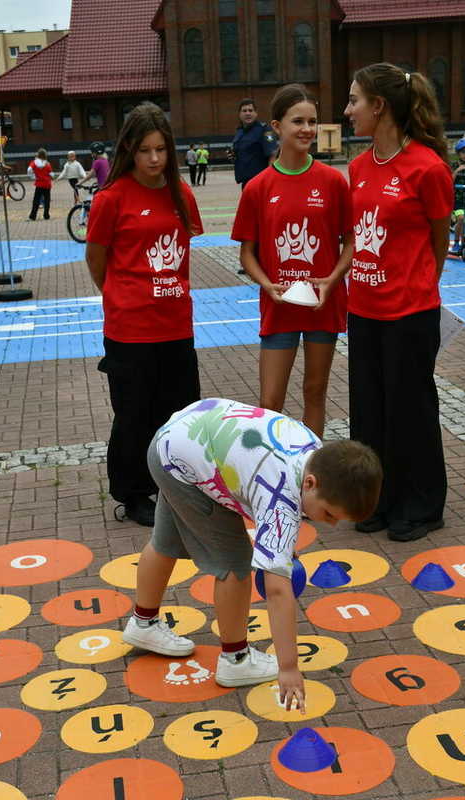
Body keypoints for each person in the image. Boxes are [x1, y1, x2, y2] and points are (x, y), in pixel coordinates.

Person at [122, 397, 382, 710]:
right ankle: (236, 659)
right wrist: (288, 667)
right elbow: (276, 590)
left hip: (177, 439)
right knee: (234, 564)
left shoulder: (315, 452)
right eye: (328, 514)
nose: (331, 524)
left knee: (166, 540)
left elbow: (262, 483)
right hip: (188, 464)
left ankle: (143, 624)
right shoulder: (284, 497)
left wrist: (280, 547)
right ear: (311, 483)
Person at [344, 62, 453, 542]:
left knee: (410, 412)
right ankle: (380, 500)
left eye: (354, 101)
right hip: (363, 310)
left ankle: (422, 504)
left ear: (380, 106)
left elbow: (438, 240)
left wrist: (417, 285)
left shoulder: (427, 167)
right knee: (369, 411)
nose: (348, 111)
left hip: (410, 312)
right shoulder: (358, 167)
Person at [86, 102, 203, 527]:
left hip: (175, 326)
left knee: (179, 412)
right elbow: (96, 259)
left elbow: (185, 254)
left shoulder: (181, 194)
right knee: (133, 415)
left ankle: (180, 485)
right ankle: (133, 493)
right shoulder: (111, 198)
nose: (154, 159)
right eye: (145, 151)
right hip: (130, 331)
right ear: (129, 151)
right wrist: (121, 295)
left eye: (161, 150)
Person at [231, 83, 354, 440]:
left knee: (315, 392)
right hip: (279, 306)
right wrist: (267, 284)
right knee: (271, 401)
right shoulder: (258, 187)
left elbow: (350, 242)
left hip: (322, 306)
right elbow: (247, 254)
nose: (306, 129)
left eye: (312, 121)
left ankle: (309, 467)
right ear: (276, 127)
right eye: (297, 121)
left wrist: (332, 279)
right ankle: (272, 474)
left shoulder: (332, 181)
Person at [230, 98, 278, 190]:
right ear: (239, 114)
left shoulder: (264, 130)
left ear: (256, 113)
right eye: (244, 111)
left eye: (250, 110)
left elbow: (272, 155)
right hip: (245, 182)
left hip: (260, 181)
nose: (248, 113)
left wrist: (270, 180)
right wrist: (233, 156)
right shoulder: (239, 131)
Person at [27, 148, 53, 221]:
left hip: (39, 184)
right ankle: (46, 215)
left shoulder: (34, 162)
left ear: (38, 154)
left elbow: (29, 170)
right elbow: (51, 174)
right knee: (47, 200)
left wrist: (33, 176)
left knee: (36, 200)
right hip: (47, 184)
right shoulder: (47, 163)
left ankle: (33, 216)